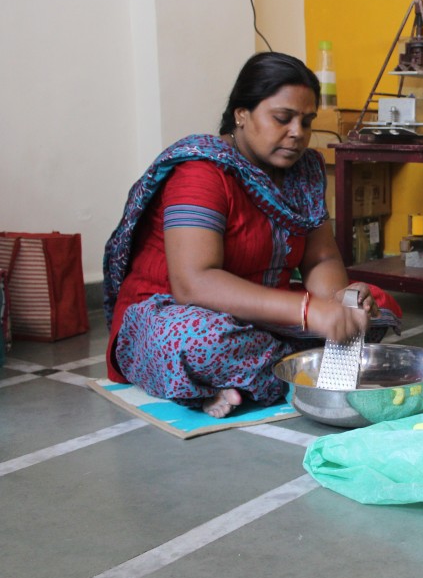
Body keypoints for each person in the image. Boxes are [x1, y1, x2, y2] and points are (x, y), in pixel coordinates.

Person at [103, 52, 401, 418]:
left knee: (374, 308)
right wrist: (308, 312)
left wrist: (340, 302)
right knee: (199, 341)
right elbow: (194, 284)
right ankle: (298, 367)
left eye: (307, 122)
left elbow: (321, 257)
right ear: (241, 114)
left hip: (262, 312)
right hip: (174, 312)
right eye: (282, 118)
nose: (298, 133)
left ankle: (266, 373)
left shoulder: (304, 171)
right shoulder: (201, 171)